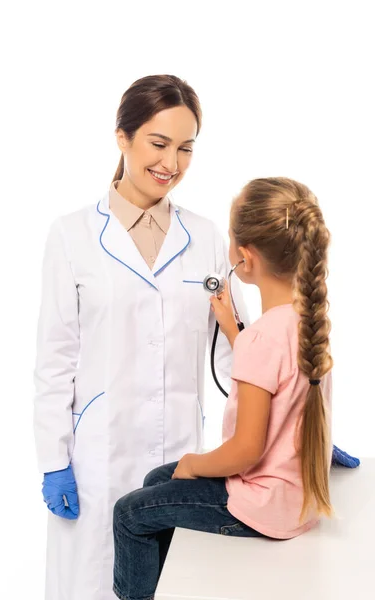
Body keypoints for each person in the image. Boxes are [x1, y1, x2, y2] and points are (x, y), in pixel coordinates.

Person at [33, 74, 248, 600]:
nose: (170, 164)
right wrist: (54, 460)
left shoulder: (206, 238)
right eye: (158, 144)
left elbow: (233, 351)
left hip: (177, 458)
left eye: (185, 149)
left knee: (170, 585)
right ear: (122, 138)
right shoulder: (72, 235)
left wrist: (294, 414)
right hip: (96, 461)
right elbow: (55, 359)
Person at [112, 177, 335, 600]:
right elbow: (274, 372)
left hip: (263, 509)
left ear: (243, 258)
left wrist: (195, 464)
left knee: (129, 513)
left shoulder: (262, 340)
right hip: (296, 498)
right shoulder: (308, 326)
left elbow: (246, 451)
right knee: (155, 479)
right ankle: (168, 583)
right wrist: (234, 331)